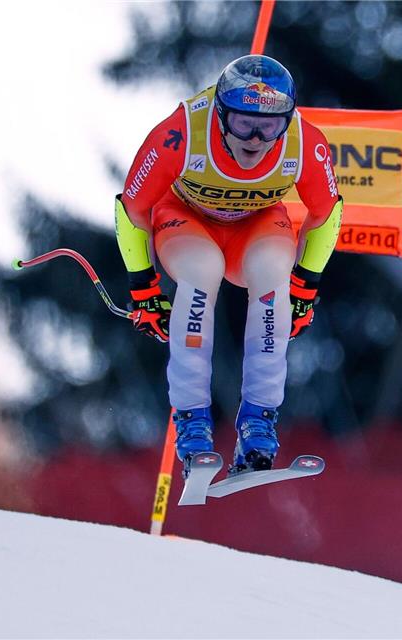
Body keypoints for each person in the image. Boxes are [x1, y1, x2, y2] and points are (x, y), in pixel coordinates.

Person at [114, 54, 342, 474]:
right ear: (220, 114)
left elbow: (327, 214)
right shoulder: (181, 132)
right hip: (185, 220)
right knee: (202, 270)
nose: (255, 139)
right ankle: (192, 423)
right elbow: (133, 207)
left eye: (269, 126)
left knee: (275, 275)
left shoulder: (305, 144)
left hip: (254, 225)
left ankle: (260, 423)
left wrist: (306, 289)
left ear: (286, 122)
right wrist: (143, 288)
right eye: (243, 124)